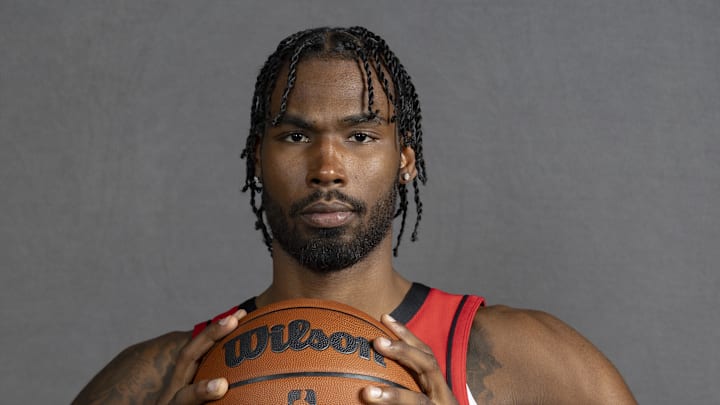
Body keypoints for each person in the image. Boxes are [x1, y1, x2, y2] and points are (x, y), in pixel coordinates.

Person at [73, 26, 637, 405]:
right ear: (257, 162)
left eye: (361, 135)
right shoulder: (158, 380)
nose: (328, 167)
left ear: (405, 161)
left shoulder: (521, 361)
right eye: (295, 135)